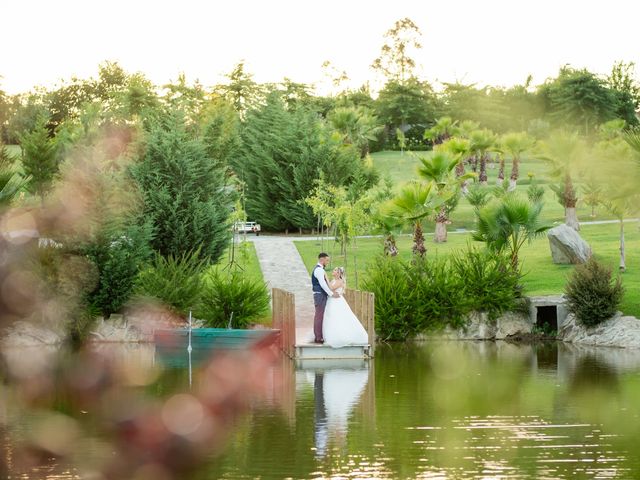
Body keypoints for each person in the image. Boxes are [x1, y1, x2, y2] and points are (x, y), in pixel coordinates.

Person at [323, 267, 369, 348]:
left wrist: (326, 278)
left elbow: (331, 288)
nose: (333, 271)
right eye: (334, 270)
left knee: (341, 317)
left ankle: (345, 336)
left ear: (339, 273)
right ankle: (332, 335)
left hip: (337, 302)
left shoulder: (340, 281)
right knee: (331, 318)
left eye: (335, 270)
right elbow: (329, 289)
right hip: (331, 300)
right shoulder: (333, 280)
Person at [311, 253, 339, 343]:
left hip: (320, 294)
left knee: (320, 315)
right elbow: (323, 284)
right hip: (319, 295)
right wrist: (331, 294)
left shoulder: (320, 269)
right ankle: (318, 337)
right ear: (322, 260)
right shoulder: (319, 270)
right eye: (327, 260)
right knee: (319, 316)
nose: (328, 262)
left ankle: (319, 336)